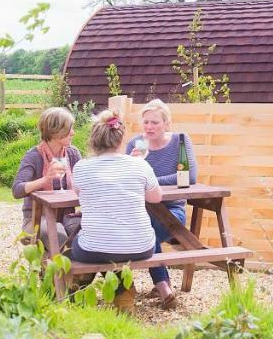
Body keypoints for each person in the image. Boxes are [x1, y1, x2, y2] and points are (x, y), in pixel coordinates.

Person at [71, 110, 164, 313]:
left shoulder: (81, 167)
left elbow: (77, 192)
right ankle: (123, 296)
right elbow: (156, 198)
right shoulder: (140, 165)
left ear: (94, 139)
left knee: (77, 237)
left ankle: (75, 290)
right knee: (116, 247)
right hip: (141, 246)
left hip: (94, 248)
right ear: (121, 139)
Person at [126, 99, 197, 298]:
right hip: (142, 210)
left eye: (154, 122)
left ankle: (148, 286)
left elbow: (189, 176)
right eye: (146, 122)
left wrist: (151, 181)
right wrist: (131, 165)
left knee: (146, 232)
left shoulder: (179, 141)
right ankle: (163, 287)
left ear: (167, 124)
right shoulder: (136, 144)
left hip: (172, 212)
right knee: (143, 228)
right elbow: (123, 178)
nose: (149, 127)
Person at [12, 107, 82, 243]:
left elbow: (85, 183)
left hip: (68, 216)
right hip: (37, 219)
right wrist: (45, 179)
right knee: (58, 235)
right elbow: (17, 190)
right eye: (69, 129)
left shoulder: (73, 154)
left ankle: (70, 263)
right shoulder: (34, 156)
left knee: (85, 234)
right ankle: (63, 263)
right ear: (56, 132)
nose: (73, 133)